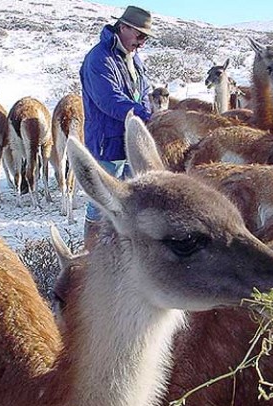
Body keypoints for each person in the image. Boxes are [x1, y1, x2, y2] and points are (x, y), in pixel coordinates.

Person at [79, 5, 154, 240]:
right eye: (139, 35)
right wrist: (146, 117)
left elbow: (143, 92)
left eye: (146, 38)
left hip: (131, 143)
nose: (142, 42)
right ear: (123, 27)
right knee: (102, 203)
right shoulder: (99, 58)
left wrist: (150, 115)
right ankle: (90, 253)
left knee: (129, 202)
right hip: (107, 144)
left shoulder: (133, 58)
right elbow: (109, 100)